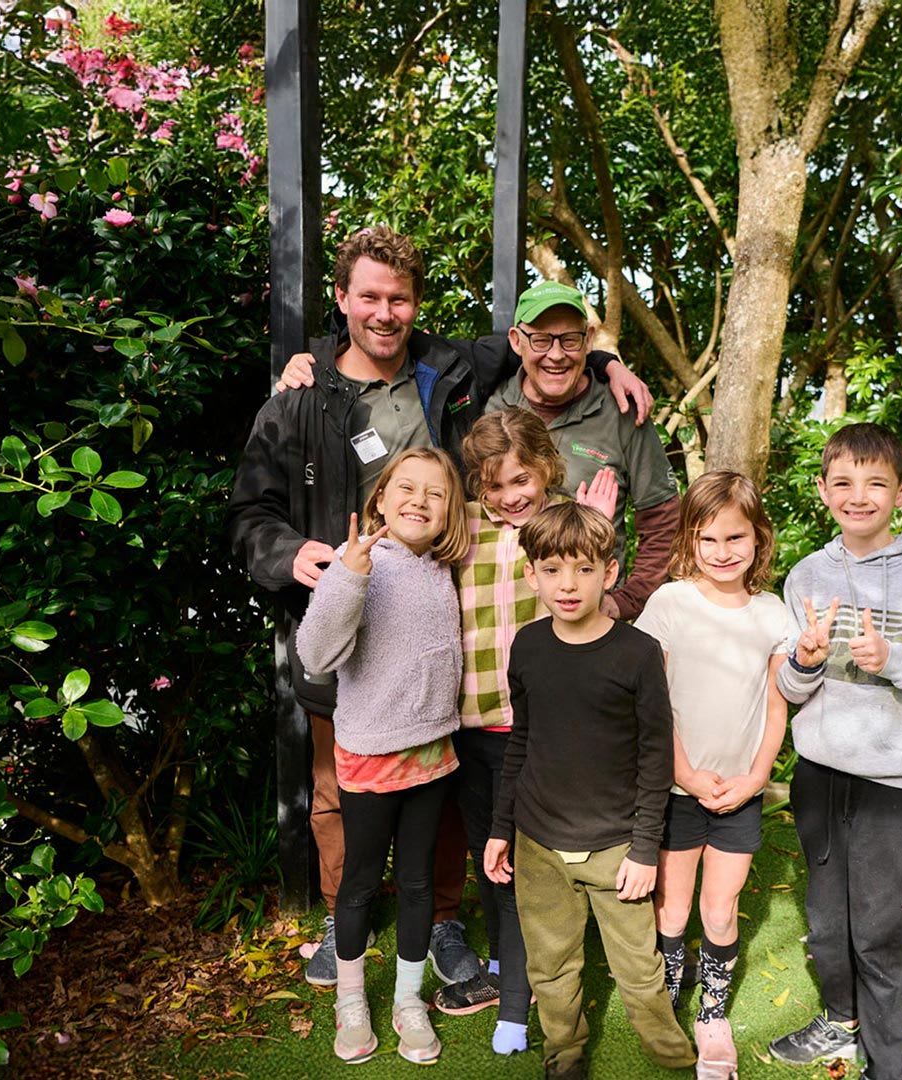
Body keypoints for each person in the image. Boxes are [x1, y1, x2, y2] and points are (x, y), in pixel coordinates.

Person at [227, 226, 651, 988]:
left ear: (415, 305)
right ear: (342, 300)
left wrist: (605, 359)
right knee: (336, 784)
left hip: (439, 615)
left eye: (399, 299)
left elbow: (539, 342)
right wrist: (290, 555)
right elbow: (248, 514)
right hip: (345, 614)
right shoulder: (299, 396)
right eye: (369, 298)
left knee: (442, 779)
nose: (385, 314)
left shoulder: (449, 367)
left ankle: (447, 923)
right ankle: (339, 917)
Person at [762, 423, 902, 1080]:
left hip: (893, 786)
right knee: (828, 923)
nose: (859, 496)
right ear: (823, 490)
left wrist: (894, 660)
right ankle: (838, 1023)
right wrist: (804, 659)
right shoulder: (806, 576)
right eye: (844, 483)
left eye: (876, 483)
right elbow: (789, 686)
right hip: (821, 778)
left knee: (882, 935)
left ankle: (887, 1066)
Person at [483, 503, 695, 1080]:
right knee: (551, 965)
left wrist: (645, 850)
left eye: (582, 568)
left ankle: (671, 1053)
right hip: (538, 841)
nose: (567, 584)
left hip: (616, 847)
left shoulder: (637, 653)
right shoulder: (527, 646)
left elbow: (656, 758)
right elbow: (520, 742)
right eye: (552, 569)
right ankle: (565, 1055)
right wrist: (502, 829)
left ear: (610, 570)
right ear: (532, 575)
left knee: (638, 966)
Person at [431, 409, 618, 1048]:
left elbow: (601, 607)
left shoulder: (563, 525)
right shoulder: (465, 531)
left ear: (546, 469)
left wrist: (601, 531)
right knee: (490, 853)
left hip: (539, 729)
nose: (512, 497)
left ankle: (519, 997)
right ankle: (512, 958)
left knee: (530, 862)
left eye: (522, 480)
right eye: (496, 486)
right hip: (474, 722)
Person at [293, 448, 471, 1065]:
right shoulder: (361, 563)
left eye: (436, 493)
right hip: (369, 754)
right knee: (361, 884)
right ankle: (351, 1002)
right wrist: (349, 575)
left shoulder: (443, 570)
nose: (419, 500)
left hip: (431, 752)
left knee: (418, 882)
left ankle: (408, 1000)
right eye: (406, 488)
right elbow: (316, 654)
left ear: (451, 513)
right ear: (379, 501)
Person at [633, 471, 794, 1080]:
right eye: (708, 540)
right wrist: (685, 773)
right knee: (672, 909)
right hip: (676, 790)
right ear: (688, 542)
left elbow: (776, 705)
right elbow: (653, 705)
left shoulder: (773, 613)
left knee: (720, 909)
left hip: (740, 793)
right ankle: (669, 994)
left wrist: (756, 779)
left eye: (736, 538)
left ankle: (714, 1011)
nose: (723, 552)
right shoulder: (671, 603)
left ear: (758, 539)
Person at [484, 281, 681, 620]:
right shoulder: (493, 407)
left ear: (589, 340)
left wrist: (628, 600)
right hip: (503, 626)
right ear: (517, 341)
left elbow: (664, 521)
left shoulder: (622, 410)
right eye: (541, 339)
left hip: (592, 623)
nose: (556, 354)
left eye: (569, 340)